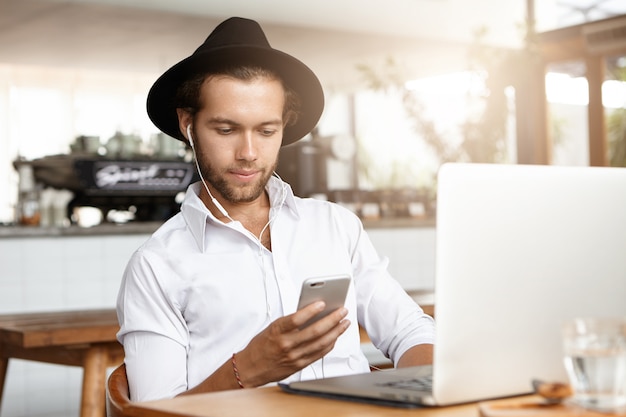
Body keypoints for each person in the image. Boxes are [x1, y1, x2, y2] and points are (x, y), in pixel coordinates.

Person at [116, 16, 435, 402]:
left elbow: (410, 332)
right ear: (188, 125)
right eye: (226, 129)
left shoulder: (335, 227)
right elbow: (154, 414)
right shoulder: (156, 265)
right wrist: (251, 367)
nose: (249, 153)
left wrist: (433, 387)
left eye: (266, 131)